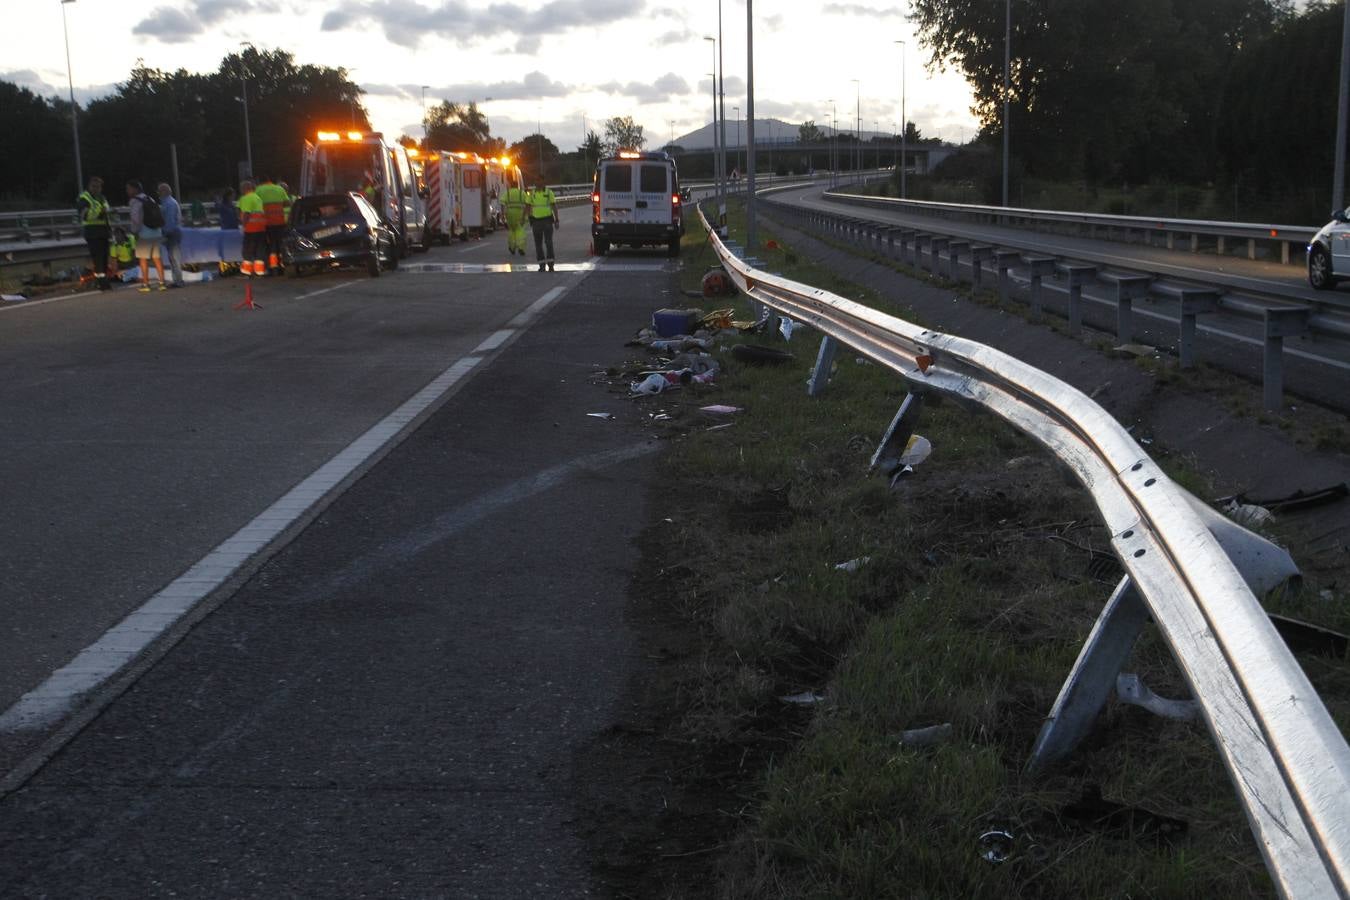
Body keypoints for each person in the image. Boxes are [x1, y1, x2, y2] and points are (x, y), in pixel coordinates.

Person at [126, 179, 166, 292]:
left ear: (135, 189)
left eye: (128, 188)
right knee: (157, 258)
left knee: (143, 259)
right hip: (157, 231)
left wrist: (134, 231)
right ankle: (162, 283)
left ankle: (145, 284)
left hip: (144, 233)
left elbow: (136, 219)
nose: (127, 191)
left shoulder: (134, 201)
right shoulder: (149, 198)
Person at [76, 176, 113, 291]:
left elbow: (107, 210)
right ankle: (101, 283)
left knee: (104, 258)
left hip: (103, 231)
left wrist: (107, 212)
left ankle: (103, 280)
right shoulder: (84, 198)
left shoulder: (102, 197)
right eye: (94, 186)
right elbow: (85, 215)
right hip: (92, 232)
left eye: (99, 187)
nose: (97, 189)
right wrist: (100, 211)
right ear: (90, 186)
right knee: (98, 258)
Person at [255, 176, 289, 274]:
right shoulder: (279, 189)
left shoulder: (259, 190)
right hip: (280, 223)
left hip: (266, 224)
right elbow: (287, 203)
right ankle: (282, 266)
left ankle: (272, 268)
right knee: (280, 245)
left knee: (270, 247)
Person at [525, 178, 559, 272]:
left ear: (544, 183)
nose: (538, 184)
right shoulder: (532, 194)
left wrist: (557, 220)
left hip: (547, 220)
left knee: (548, 243)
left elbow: (554, 206)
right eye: (537, 182)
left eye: (540, 182)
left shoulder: (549, 193)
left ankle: (551, 264)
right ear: (535, 183)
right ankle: (541, 265)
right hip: (536, 221)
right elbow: (527, 206)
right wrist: (528, 217)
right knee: (538, 244)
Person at [157, 183, 185, 288]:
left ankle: (178, 280)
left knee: (174, 257)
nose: (158, 193)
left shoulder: (168, 203)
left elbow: (169, 221)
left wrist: (165, 233)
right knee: (173, 257)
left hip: (171, 232)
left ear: (165, 191)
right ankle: (177, 279)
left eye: (159, 191)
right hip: (173, 232)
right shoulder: (170, 202)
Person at [237, 180, 267, 277]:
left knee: (247, 250)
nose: (240, 190)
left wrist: (244, 225)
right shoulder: (257, 198)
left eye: (241, 188)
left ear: (245, 188)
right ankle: (259, 271)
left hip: (250, 228)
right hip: (260, 228)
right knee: (259, 249)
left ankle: (247, 271)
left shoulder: (245, 198)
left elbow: (246, 213)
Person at [501, 178, 528, 258]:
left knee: (512, 230)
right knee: (520, 230)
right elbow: (527, 203)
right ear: (517, 186)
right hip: (520, 213)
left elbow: (502, 203)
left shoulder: (507, 193)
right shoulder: (521, 193)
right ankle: (520, 247)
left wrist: (502, 215)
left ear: (511, 186)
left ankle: (512, 247)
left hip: (509, 214)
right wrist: (526, 214)